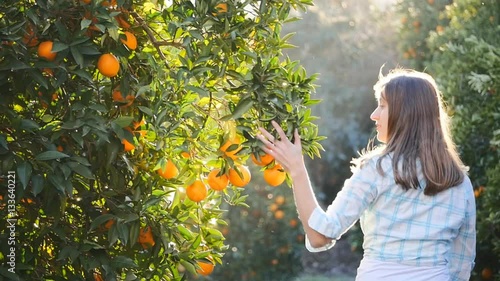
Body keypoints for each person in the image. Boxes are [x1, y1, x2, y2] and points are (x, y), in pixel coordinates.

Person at [256, 68, 476, 281]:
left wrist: (297, 170)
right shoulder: (459, 182)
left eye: (382, 106)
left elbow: (320, 235)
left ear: (405, 114)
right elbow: (462, 262)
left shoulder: (378, 169)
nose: (374, 115)